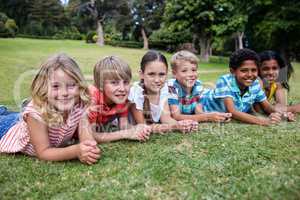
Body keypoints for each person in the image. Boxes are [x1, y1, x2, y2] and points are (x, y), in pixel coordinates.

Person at [0, 53, 101, 165]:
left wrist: (89, 149)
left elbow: (86, 137)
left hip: (17, 121)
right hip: (5, 129)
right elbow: (43, 152)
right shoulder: (36, 115)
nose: (64, 93)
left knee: (13, 116)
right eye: (55, 86)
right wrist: (76, 151)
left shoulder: (79, 105)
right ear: (43, 87)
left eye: (71, 85)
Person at [201, 48, 290, 125]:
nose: (250, 74)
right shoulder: (225, 81)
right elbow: (232, 112)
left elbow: (267, 106)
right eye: (244, 70)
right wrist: (264, 121)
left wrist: (283, 115)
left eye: (254, 70)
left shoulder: (255, 84)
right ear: (233, 71)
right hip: (201, 101)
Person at [128, 50, 198, 134]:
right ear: (141, 74)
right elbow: (144, 126)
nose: (157, 80)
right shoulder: (137, 92)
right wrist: (175, 126)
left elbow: (165, 118)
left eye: (161, 74)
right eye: (151, 74)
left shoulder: (164, 88)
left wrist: (183, 124)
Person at [88, 56, 152, 143]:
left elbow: (123, 125)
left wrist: (139, 128)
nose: (122, 89)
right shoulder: (93, 97)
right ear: (100, 84)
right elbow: (91, 135)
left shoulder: (121, 98)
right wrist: (125, 134)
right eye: (114, 82)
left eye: (125, 82)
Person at [168, 50, 232, 122]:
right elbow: (176, 116)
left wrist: (217, 116)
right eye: (184, 71)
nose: (191, 74)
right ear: (174, 73)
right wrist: (207, 117)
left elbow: (198, 112)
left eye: (193, 70)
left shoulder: (197, 85)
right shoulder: (172, 87)